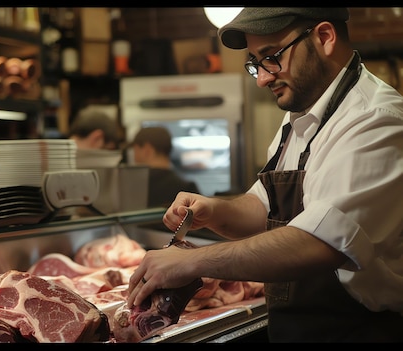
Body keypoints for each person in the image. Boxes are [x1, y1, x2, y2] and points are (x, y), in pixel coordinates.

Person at [126, 8, 403, 342]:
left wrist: (193, 262)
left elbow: (320, 243)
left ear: (325, 37)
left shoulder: (376, 120)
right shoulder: (301, 115)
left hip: (358, 331)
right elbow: (265, 207)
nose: (262, 78)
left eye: (271, 57)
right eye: (255, 63)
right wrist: (214, 210)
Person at [130, 126, 200, 208]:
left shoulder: (133, 187)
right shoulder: (187, 188)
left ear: (147, 150)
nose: (134, 156)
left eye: (135, 150)